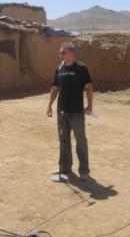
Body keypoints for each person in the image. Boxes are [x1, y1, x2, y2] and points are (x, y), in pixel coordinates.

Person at [47, 42, 93, 180]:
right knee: (63, 140)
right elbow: (55, 88)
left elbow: (89, 88)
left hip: (77, 112)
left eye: (63, 52)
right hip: (62, 111)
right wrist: (49, 105)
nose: (60, 55)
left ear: (71, 53)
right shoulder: (59, 69)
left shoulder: (81, 68)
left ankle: (84, 171)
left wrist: (90, 106)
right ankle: (65, 168)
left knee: (81, 142)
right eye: (60, 52)